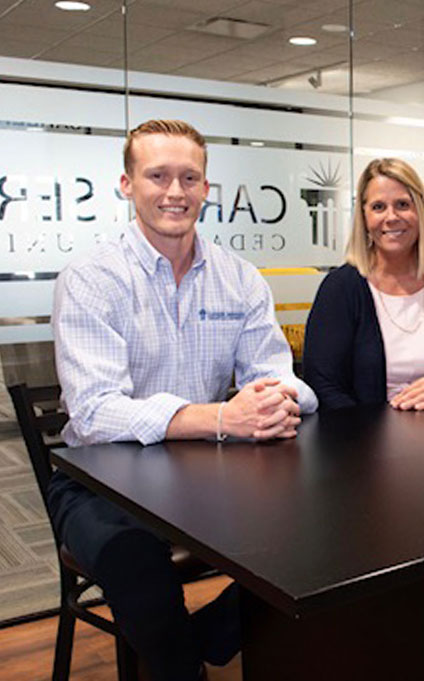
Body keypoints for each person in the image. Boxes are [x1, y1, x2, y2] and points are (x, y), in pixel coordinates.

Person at [50, 119, 317, 681]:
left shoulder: (239, 279)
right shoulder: (91, 278)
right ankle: (181, 668)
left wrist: (277, 396)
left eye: (189, 177)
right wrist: (222, 416)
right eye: (158, 176)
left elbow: (272, 372)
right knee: (136, 560)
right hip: (100, 482)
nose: (175, 191)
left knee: (313, 527)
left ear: (206, 187)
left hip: (203, 474)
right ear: (127, 184)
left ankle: (197, 642)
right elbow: (95, 412)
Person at [301, 157, 424, 658]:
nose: (391, 217)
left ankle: (423, 618)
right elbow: (322, 380)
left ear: (421, 211)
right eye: (378, 206)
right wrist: (377, 442)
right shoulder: (344, 286)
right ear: (363, 217)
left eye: (402, 204)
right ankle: (404, 623)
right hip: (360, 458)